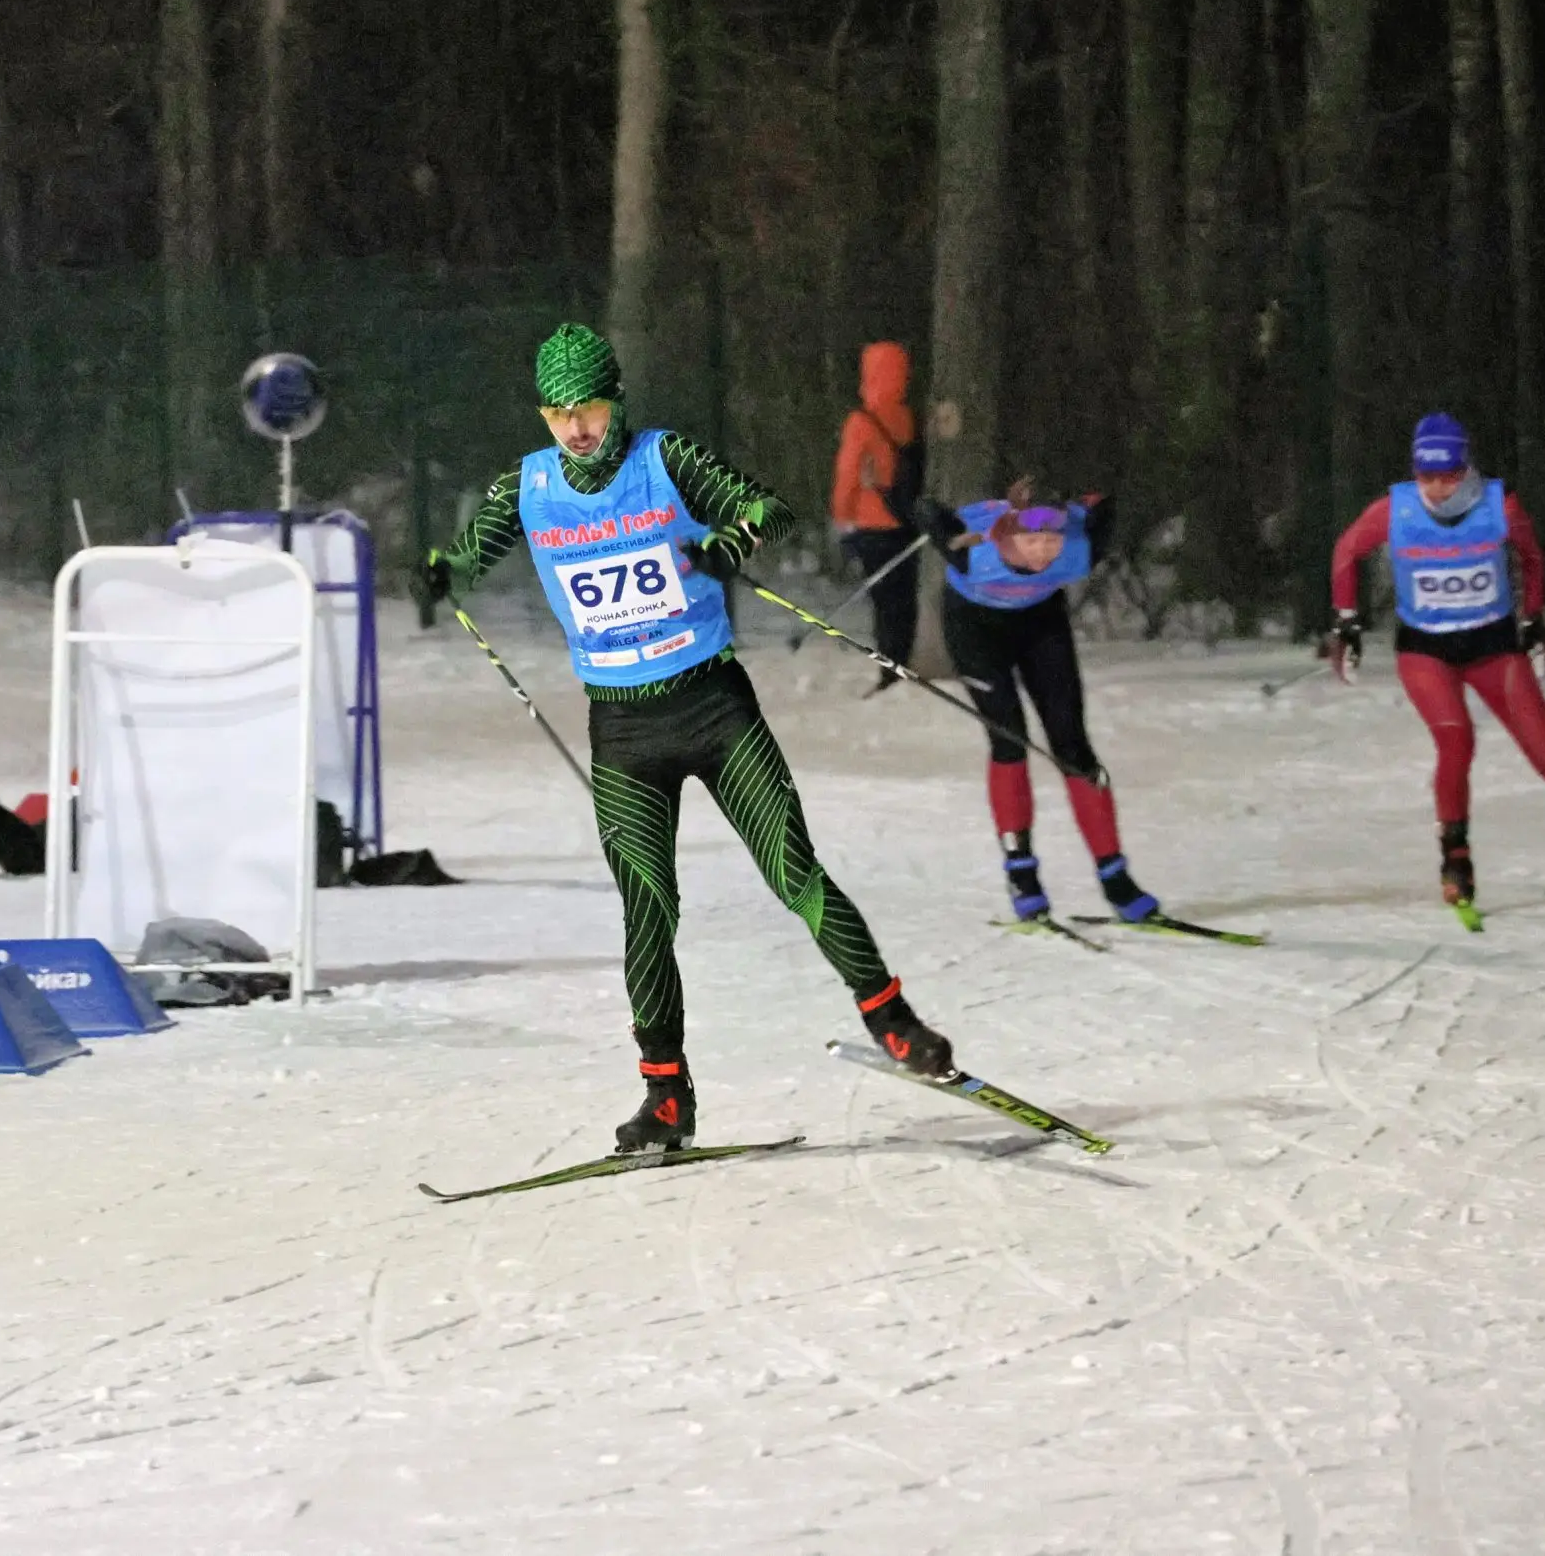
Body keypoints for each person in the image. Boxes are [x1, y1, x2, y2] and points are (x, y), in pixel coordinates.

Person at [411, 323, 957, 1152]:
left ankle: (895, 1022)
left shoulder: (664, 460)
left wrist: (730, 539)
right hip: (624, 730)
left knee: (794, 872)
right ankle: (666, 1096)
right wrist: (443, 569)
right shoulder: (527, 486)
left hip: (713, 709)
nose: (576, 429)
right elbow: (470, 552)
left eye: (588, 408)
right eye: (558, 414)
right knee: (647, 912)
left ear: (615, 401)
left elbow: (766, 505)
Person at [1327, 412, 1545, 909]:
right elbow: (1346, 550)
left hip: (1492, 645)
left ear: (1466, 467)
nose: (1439, 488)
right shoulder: (1394, 510)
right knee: (1456, 738)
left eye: (1449, 475)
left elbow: (1532, 557)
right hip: (1427, 650)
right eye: (1427, 476)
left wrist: (1533, 620)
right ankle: (1456, 859)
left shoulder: (1498, 505)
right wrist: (1346, 621)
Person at [919, 477, 1161, 926]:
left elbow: (1103, 509)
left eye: (1052, 539)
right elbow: (926, 514)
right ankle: (1022, 873)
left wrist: (1093, 501)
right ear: (1010, 534)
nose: (1044, 551)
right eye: (1032, 540)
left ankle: (1115, 877)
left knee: (1072, 745)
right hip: (975, 630)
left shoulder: (1078, 552)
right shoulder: (973, 553)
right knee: (1009, 739)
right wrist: (928, 509)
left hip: (1040, 624)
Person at [829, 342, 924, 686]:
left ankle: (890, 669)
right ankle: (903, 660)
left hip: (871, 524)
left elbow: (848, 474)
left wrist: (841, 515)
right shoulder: (908, 418)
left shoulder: (861, 421)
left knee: (884, 604)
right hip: (907, 521)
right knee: (904, 599)